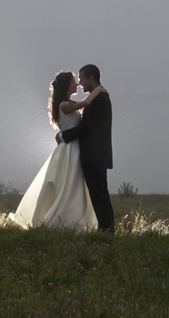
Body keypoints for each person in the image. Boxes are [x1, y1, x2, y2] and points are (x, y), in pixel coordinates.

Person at [9, 71, 104, 230]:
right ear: (67, 85)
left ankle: (73, 217)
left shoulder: (68, 103)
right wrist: (99, 90)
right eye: (74, 81)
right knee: (69, 183)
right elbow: (87, 103)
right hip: (70, 149)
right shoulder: (64, 105)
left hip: (72, 147)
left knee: (72, 185)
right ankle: (61, 218)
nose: (77, 84)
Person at [57, 64, 114, 232]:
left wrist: (63, 136)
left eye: (82, 78)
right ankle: (105, 228)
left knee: (99, 195)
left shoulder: (100, 100)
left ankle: (108, 230)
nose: (80, 83)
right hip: (92, 155)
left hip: (95, 155)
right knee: (96, 195)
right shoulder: (96, 98)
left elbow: (86, 128)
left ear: (91, 78)